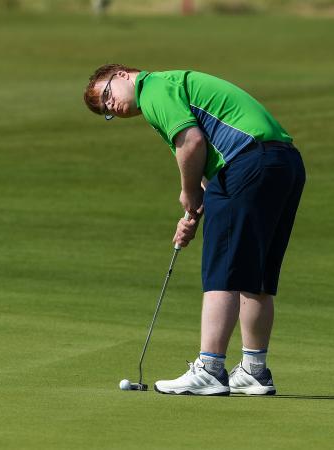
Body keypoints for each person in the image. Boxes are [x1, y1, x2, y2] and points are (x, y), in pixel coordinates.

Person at [83, 64, 305, 396]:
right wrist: (195, 210)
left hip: (247, 163)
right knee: (254, 276)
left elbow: (192, 142)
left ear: (124, 75)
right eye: (105, 111)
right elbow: (206, 167)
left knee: (223, 271)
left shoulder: (153, 88)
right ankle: (254, 371)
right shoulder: (171, 87)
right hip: (282, 165)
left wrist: (189, 192)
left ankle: (211, 368)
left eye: (107, 94)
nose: (110, 106)